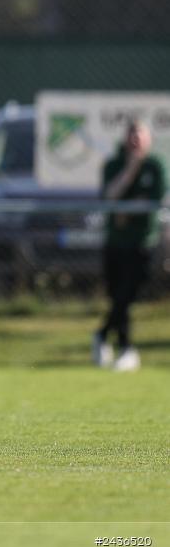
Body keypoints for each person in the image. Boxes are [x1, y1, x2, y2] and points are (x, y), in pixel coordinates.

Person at [93, 120, 166, 372]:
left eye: (140, 135)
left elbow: (155, 199)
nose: (135, 139)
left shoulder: (156, 165)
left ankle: (108, 339)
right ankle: (123, 347)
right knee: (117, 296)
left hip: (143, 241)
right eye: (131, 134)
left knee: (127, 294)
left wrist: (129, 211)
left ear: (148, 138)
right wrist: (131, 168)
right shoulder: (114, 164)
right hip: (115, 240)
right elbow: (110, 196)